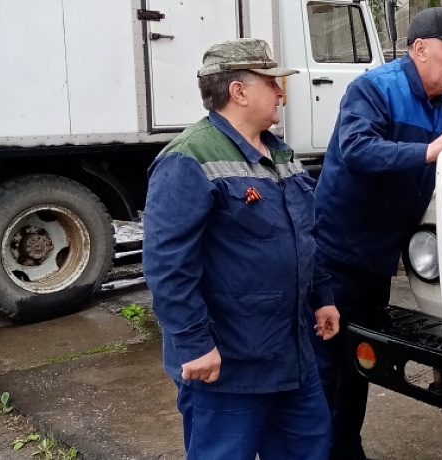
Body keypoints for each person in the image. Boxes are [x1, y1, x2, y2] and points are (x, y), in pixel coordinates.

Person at [311, 7, 442, 460]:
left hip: (377, 258)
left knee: (356, 365)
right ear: (420, 50)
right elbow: (357, 150)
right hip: (338, 255)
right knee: (327, 368)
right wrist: (428, 150)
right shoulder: (374, 89)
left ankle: (346, 449)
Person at [142, 38, 341, 460]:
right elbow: (167, 266)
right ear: (239, 91)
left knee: (310, 449)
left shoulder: (281, 154)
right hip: (228, 367)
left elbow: (305, 234)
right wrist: (194, 344)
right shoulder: (188, 159)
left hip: (293, 357)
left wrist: (322, 298)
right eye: (272, 83)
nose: (281, 93)